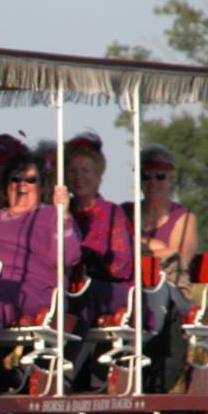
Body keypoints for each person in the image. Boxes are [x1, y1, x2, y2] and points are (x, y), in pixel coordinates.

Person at [0, 152, 82, 360]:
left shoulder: (51, 215)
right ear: (6, 185)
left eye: (31, 180)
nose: (22, 184)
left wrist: (64, 214)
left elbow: (67, 258)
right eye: (15, 179)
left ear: (43, 186)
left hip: (34, 288)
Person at [64, 132, 135, 383]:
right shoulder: (61, 213)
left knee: (85, 297)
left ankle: (66, 370)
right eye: (73, 171)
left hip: (111, 287)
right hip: (71, 286)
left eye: (85, 170)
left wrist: (90, 261)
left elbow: (122, 265)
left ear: (98, 176)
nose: (79, 177)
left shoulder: (111, 213)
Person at [123, 144, 198, 337]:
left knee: (158, 288)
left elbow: (177, 258)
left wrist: (137, 244)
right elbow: (116, 247)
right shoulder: (126, 212)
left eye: (160, 176)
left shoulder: (184, 217)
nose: (152, 182)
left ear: (171, 179)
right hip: (131, 287)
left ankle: (142, 341)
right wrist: (155, 246)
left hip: (172, 291)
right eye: (146, 176)